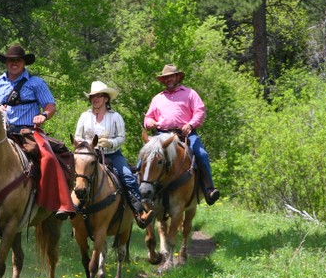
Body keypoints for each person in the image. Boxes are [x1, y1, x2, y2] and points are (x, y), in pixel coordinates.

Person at [0, 44, 75, 222]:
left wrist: (43, 115)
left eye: (17, 61)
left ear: (24, 62)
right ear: (6, 63)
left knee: (48, 158)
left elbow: (50, 105)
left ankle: (59, 204)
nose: (14, 64)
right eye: (10, 61)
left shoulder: (36, 83)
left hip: (28, 131)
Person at [74, 81, 153, 229]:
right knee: (75, 176)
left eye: (99, 96)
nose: (95, 99)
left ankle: (140, 212)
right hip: (89, 155)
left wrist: (110, 143)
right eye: (93, 97)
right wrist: (88, 144)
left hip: (112, 154)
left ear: (106, 99)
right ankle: (69, 210)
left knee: (128, 177)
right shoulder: (84, 116)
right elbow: (77, 137)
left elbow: (121, 137)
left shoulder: (115, 116)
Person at [143, 64, 220, 205]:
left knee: (201, 154)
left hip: (186, 134)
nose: (168, 80)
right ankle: (140, 192)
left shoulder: (190, 93)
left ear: (177, 77)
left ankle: (209, 189)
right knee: (145, 157)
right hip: (162, 135)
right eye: (166, 78)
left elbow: (200, 111)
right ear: (163, 80)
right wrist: (150, 123)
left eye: (171, 76)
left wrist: (190, 124)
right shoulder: (158, 98)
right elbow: (148, 117)